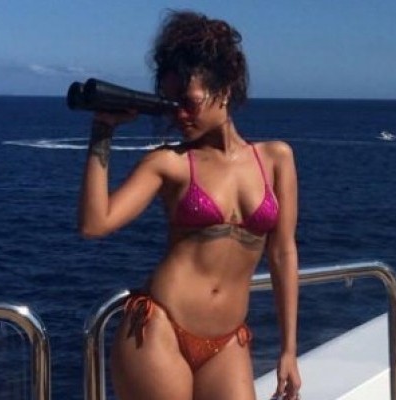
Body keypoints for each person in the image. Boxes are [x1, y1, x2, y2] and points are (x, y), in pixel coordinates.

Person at [78, 10, 301, 400]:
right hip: (158, 328)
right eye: (172, 103)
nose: (180, 114)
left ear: (224, 89)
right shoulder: (170, 163)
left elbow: (283, 253)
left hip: (227, 341)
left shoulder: (276, 159)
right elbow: (94, 224)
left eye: (189, 101)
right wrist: (102, 131)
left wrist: (288, 350)